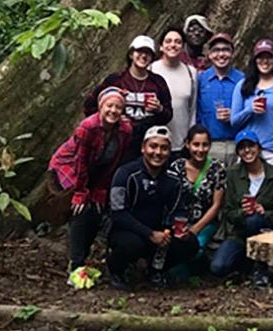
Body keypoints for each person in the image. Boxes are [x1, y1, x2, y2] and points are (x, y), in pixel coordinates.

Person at [49, 87, 133, 277]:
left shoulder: (125, 131)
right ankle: (76, 263)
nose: (113, 111)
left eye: (118, 107)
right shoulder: (87, 127)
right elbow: (80, 161)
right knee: (82, 210)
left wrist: (101, 190)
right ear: (101, 107)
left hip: (97, 170)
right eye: (109, 106)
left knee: (98, 208)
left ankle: (85, 258)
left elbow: (114, 162)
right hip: (68, 167)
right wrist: (80, 192)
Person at [107, 126, 199, 290]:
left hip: (160, 233)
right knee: (131, 245)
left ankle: (155, 270)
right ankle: (117, 270)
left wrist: (181, 229)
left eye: (164, 148)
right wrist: (149, 234)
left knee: (190, 244)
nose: (158, 152)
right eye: (153, 146)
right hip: (128, 230)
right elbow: (118, 213)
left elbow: (179, 210)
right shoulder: (125, 174)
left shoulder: (173, 180)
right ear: (143, 148)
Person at [211, 130, 273, 287]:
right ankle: (246, 265)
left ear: (259, 148)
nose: (247, 150)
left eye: (251, 145)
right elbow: (228, 212)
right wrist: (243, 212)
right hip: (240, 234)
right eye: (242, 147)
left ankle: (260, 268)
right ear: (238, 152)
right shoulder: (233, 174)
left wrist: (265, 212)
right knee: (218, 268)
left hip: (266, 233)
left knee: (255, 219)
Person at [84, 35, 172, 163]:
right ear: (131, 54)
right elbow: (89, 106)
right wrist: (113, 119)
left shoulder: (158, 82)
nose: (143, 56)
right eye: (139, 51)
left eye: (148, 53)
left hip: (148, 143)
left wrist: (159, 109)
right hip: (118, 140)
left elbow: (168, 116)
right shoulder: (116, 80)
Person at [230, 38, 273, 170]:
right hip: (248, 149)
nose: (265, 61)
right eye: (260, 57)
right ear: (254, 60)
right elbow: (234, 121)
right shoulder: (243, 86)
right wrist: (249, 110)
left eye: (269, 57)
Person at [167, 124, 226, 252]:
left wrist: (194, 229)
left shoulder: (217, 168)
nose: (200, 149)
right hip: (178, 223)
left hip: (205, 223)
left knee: (195, 249)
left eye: (205, 145)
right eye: (196, 144)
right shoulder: (177, 167)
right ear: (188, 144)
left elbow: (216, 205)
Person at [196, 33, 244, 166]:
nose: (221, 54)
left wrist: (234, 116)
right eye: (216, 50)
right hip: (209, 145)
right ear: (210, 55)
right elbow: (195, 111)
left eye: (226, 50)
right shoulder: (201, 80)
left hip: (237, 144)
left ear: (232, 53)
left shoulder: (243, 80)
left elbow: (250, 112)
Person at [151, 26, 197, 155]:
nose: (173, 45)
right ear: (161, 46)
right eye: (168, 41)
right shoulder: (151, 70)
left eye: (178, 42)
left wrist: (190, 139)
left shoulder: (191, 73)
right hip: (154, 143)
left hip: (180, 143)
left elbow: (193, 109)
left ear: (183, 47)